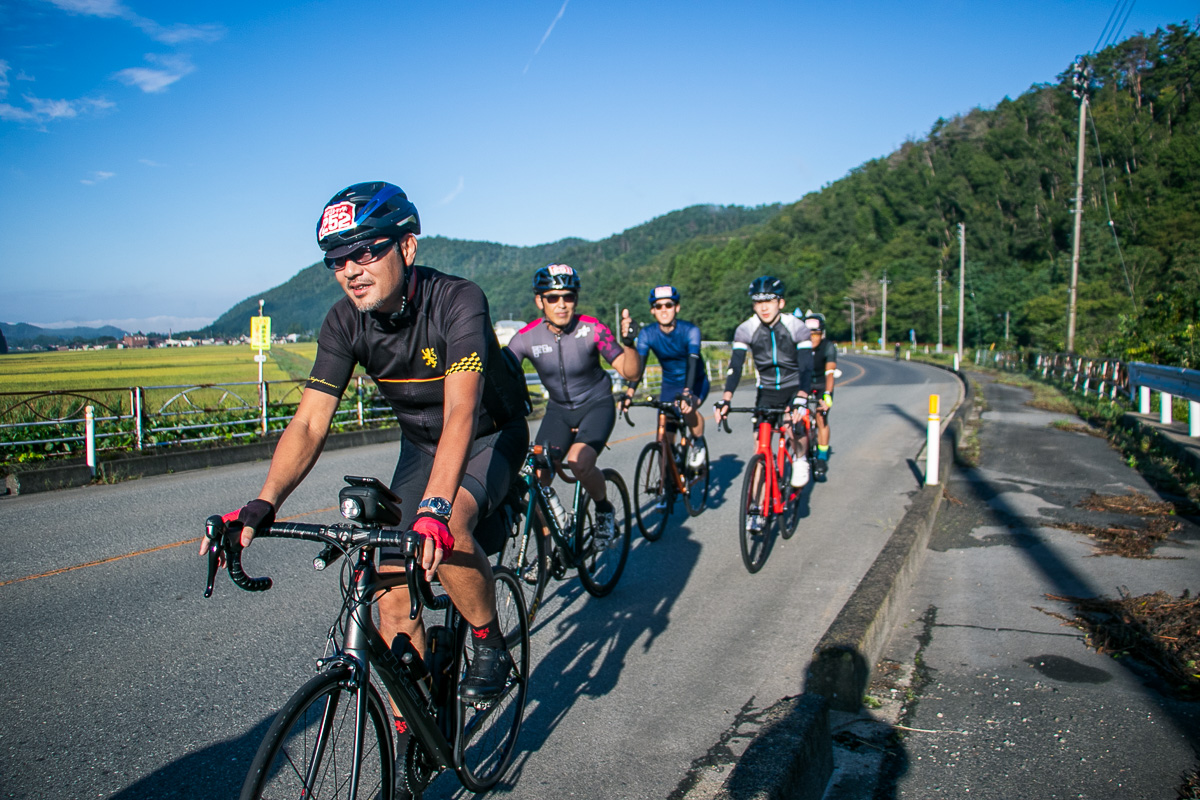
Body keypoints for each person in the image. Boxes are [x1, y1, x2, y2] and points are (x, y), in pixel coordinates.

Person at [201, 182, 530, 749]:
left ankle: (489, 640)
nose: (351, 269)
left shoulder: (458, 300)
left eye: (365, 251)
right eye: (337, 259)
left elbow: (459, 413)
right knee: (385, 576)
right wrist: (263, 503)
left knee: (445, 528)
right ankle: (417, 714)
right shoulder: (343, 322)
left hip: (487, 432)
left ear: (406, 248)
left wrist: (432, 509)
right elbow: (308, 424)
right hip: (420, 444)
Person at [505, 264, 640, 544]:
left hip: (597, 405)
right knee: (536, 479)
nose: (562, 304)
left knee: (579, 462)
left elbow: (630, 372)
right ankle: (550, 543)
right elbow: (501, 377)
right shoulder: (526, 338)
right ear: (539, 301)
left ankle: (604, 508)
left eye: (568, 296)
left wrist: (629, 343)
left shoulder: (593, 329)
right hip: (559, 411)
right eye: (553, 298)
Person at [712, 276, 814, 487]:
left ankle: (800, 458)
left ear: (781, 303)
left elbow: (806, 367)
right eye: (758, 301)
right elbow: (736, 366)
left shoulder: (797, 327)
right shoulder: (745, 329)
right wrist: (726, 399)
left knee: (791, 428)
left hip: (794, 387)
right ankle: (757, 508)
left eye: (769, 300)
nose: (764, 307)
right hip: (766, 390)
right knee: (760, 446)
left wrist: (803, 396)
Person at [619, 285, 709, 469]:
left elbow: (692, 362)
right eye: (658, 306)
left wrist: (687, 392)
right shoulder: (647, 334)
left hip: (695, 381)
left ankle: (698, 443)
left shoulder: (690, 330)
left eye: (668, 305)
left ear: (677, 308)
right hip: (669, 385)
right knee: (664, 439)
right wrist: (629, 393)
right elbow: (639, 367)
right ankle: (668, 483)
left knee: (687, 409)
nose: (664, 310)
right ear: (652, 311)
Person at [802, 311, 837, 478]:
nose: (812, 337)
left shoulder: (828, 346)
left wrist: (827, 394)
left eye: (815, 334)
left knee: (821, 416)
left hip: (823, 384)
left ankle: (822, 457)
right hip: (805, 383)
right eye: (808, 333)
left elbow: (830, 372)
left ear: (821, 334)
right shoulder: (800, 347)